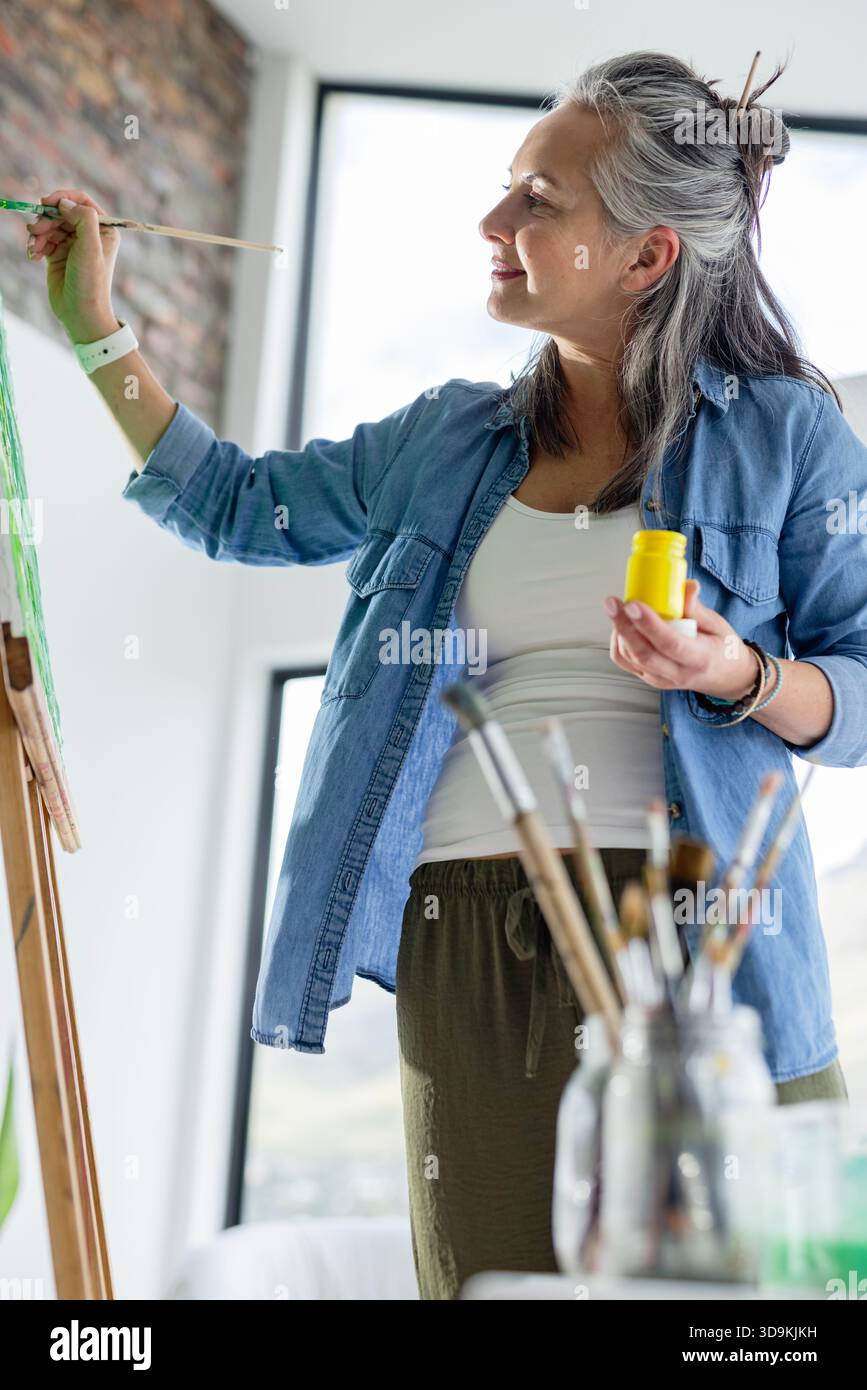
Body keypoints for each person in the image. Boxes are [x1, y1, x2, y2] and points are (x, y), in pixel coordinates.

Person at [27, 51, 867, 1301]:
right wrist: (98, 335)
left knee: (759, 1317)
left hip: (710, 943)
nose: (495, 223)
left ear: (645, 259)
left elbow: (854, 691)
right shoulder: (443, 439)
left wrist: (738, 669)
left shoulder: (788, 431)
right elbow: (236, 505)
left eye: (540, 200)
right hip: (463, 937)